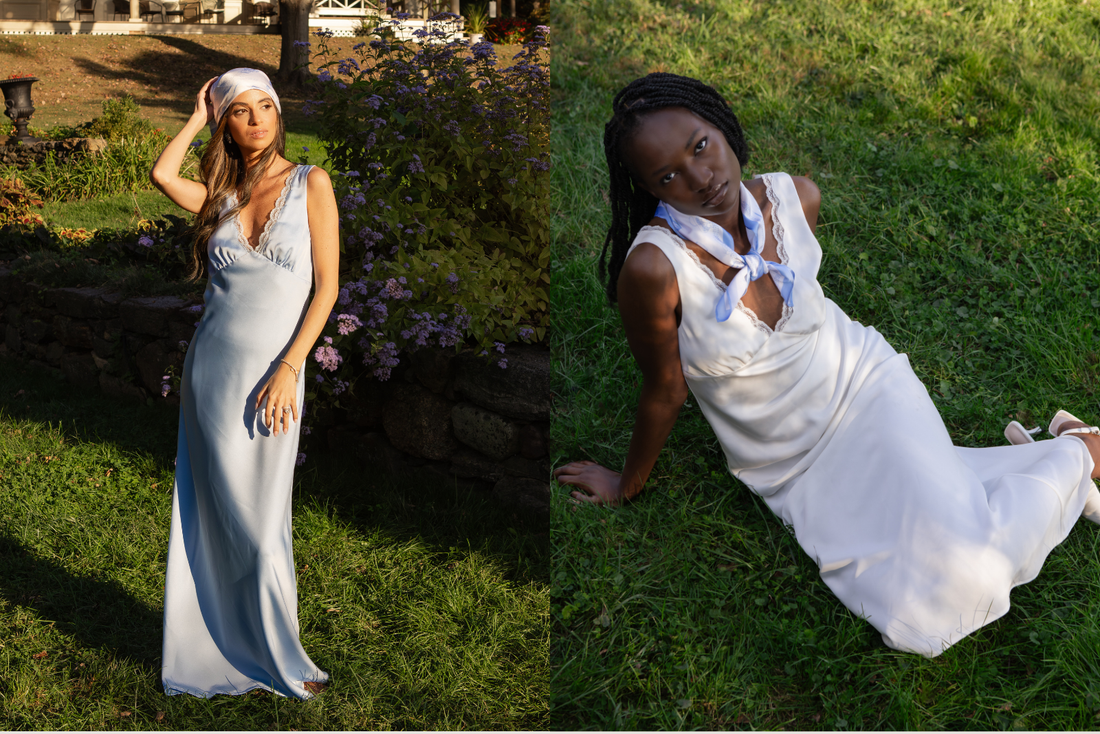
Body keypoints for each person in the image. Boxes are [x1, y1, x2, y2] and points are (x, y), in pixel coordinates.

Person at [553, 72, 1100, 657]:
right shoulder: (654, 269)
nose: (701, 177)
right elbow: (665, 389)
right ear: (645, 187)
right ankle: (1056, 458)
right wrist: (625, 484)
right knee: (922, 618)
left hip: (865, 386)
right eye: (668, 176)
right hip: (789, 462)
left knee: (972, 574)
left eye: (700, 146)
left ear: (721, 124)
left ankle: (1078, 452)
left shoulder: (795, 197)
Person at [150, 68, 339, 698]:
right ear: (226, 124)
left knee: (261, 518)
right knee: (214, 511)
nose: (256, 120)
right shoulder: (222, 193)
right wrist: (195, 117)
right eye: (240, 111)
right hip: (212, 370)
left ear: (280, 113)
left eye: (265, 106)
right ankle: (208, 646)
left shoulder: (311, 183)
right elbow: (162, 176)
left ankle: (278, 653)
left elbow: (327, 289)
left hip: (275, 373)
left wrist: (290, 367)